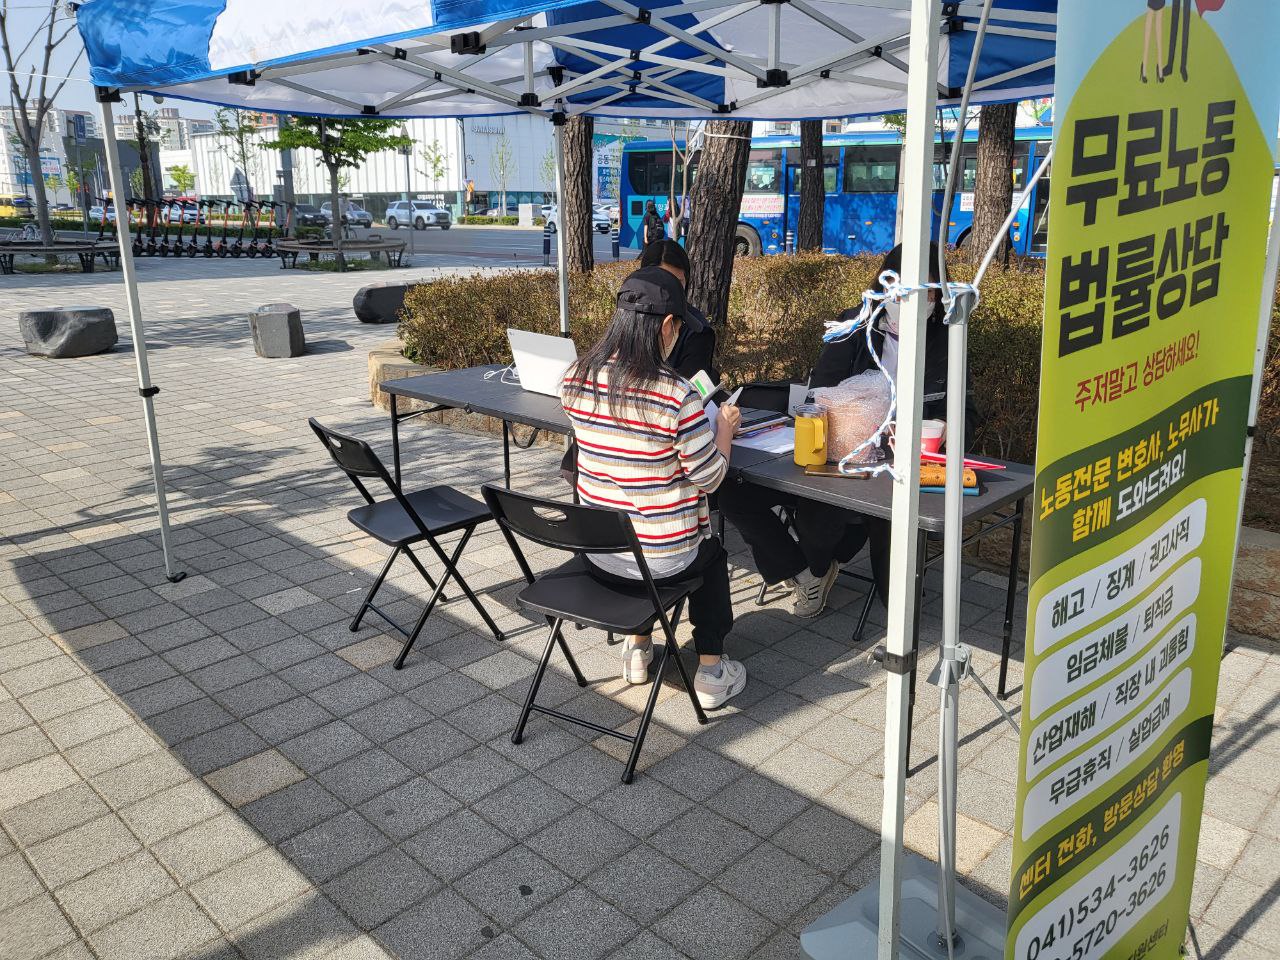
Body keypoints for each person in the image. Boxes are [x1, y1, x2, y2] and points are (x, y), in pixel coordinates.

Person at [719, 243, 981, 619]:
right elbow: (819, 395)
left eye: (926, 293)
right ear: (883, 287)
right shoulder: (854, 325)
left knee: (881, 525)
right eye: (900, 291)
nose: (911, 302)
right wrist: (862, 419)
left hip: (908, 464)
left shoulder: (948, 337)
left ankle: (889, 603)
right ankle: (810, 570)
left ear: (939, 295)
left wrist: (941, 433)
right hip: (845, 452)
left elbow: (966, 414)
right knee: (761, 499)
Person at [561, 266, 747, 708]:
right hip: (664, 558)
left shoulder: (575, 378)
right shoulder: (675, 394)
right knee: (712, 556)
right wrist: (724, 429)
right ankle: (711, 672)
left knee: (637, 531)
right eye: (679, 326)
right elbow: (711, 477)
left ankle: (638, 648)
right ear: (667, 325)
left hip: (600, 555)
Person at [639, 239, 718, 383]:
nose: (672, 289)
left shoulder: (697, 330)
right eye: (664, 281)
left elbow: (690, 392)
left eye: (678, 282)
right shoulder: (630, 315)